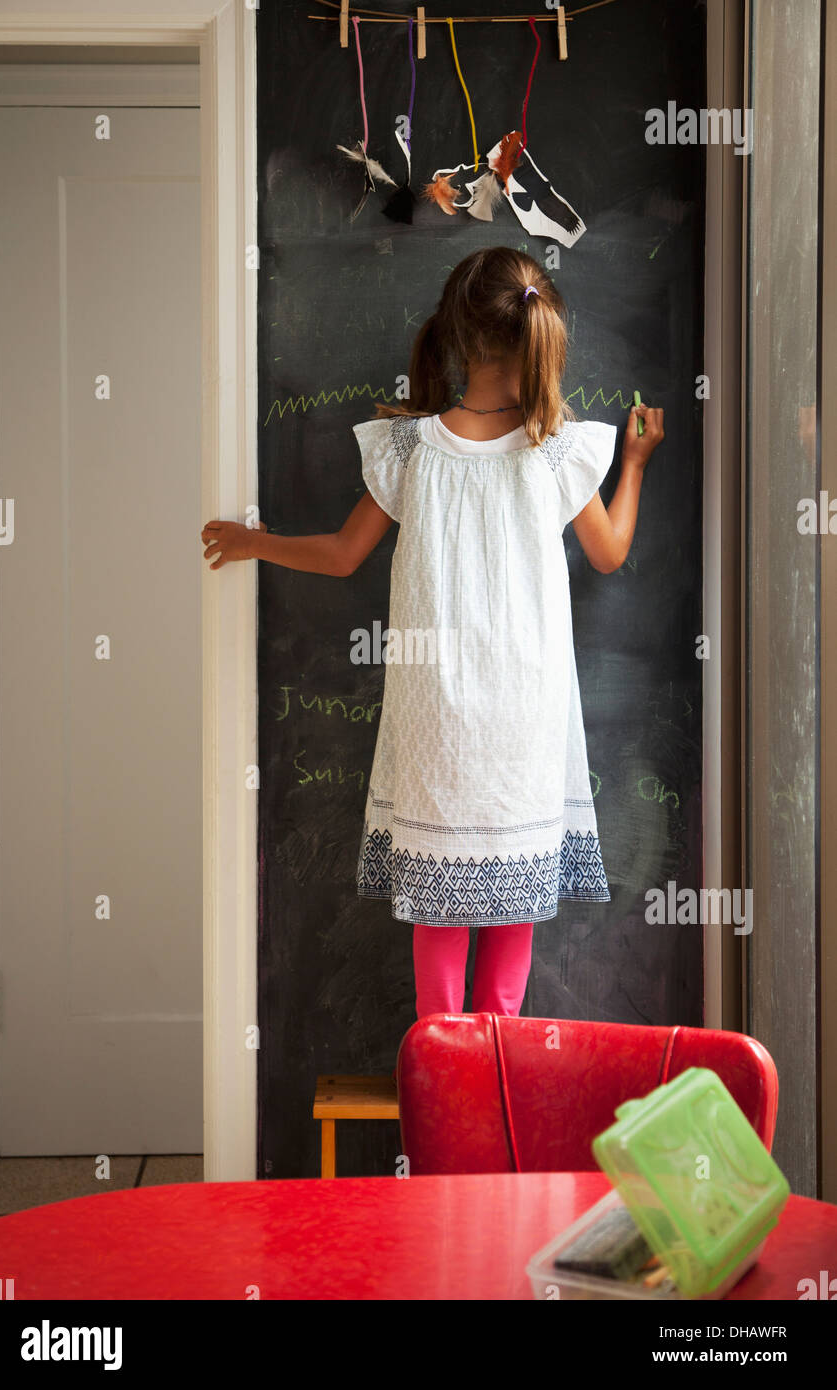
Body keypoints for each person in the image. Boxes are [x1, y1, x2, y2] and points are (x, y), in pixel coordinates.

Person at [202, 246, 664, 1022]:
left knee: (439, 921)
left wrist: (258, 542)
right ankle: (493, 1089)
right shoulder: (557, 450)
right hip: (525, 722)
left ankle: (440, 1093)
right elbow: (610, 553)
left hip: (436, 731)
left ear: (456, 333)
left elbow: (344, 555)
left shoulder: (411, 449)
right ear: (537, 339)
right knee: (513, 923)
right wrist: (638, 465)